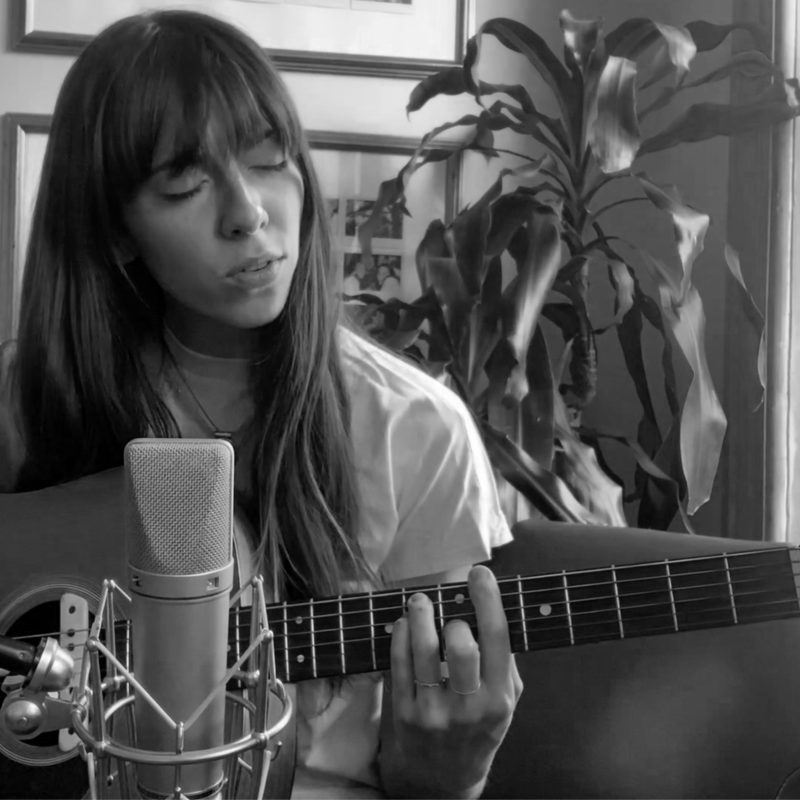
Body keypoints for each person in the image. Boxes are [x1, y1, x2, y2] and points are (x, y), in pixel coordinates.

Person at [0, 9, 522, 798]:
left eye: (271, 160)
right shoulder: (20, 401)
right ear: (115, 234)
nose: (249, 214)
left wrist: (451, 769)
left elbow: (428, 773)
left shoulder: (418, 430)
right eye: (184, 184)